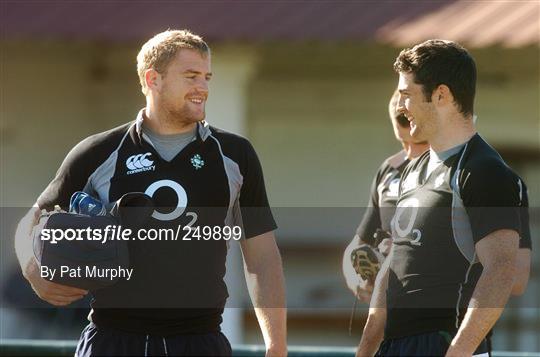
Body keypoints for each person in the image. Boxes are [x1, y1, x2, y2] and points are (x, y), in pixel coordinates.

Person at [15, 30, 287, 357]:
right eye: (190, 76)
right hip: (110, 340)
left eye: (206, 77)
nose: (202, 87)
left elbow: (262, 257)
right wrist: (32, 268)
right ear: (153, 79)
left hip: (199, 341)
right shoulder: (97, 152)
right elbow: (31, 220)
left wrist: (277, 345)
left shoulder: (235, 155)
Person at [356, 39, 529, 357]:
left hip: (444, 343)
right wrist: (367, 346)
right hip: (396, 346)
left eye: (407, 95)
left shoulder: (483, 170)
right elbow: (394, 263)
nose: (401, 106)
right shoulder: (413, 169)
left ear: (441, 95)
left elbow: (502, 269)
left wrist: (458, 352)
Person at [343, 90, 429, 302]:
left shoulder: (451, 173)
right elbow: (356, 245)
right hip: (390, 309)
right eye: (403, 143)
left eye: (418, 144)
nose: (409, 153)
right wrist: (355, 280)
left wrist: (401, 253)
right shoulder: (389, 170)